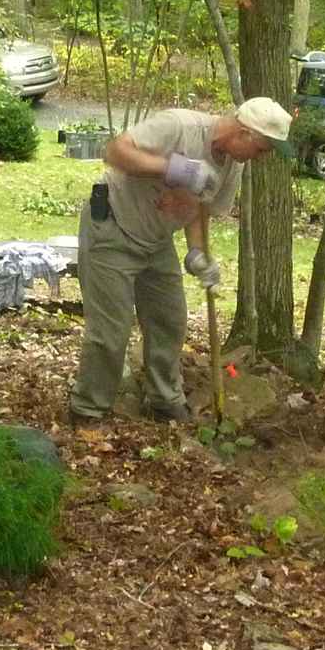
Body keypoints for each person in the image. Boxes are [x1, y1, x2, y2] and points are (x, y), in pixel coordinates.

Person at [68, 97, 293, 427]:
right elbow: (115, 151)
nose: (262, 157)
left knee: (169, 319)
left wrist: (197, 253)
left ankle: (163, 399)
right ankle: (88, 408)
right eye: (262, 149)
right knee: (111, 330)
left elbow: (200, 208)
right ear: (244, 133)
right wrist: (176, 168)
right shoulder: (179, 126)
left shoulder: (233, 164)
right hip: (113, 227)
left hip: (156, 241)